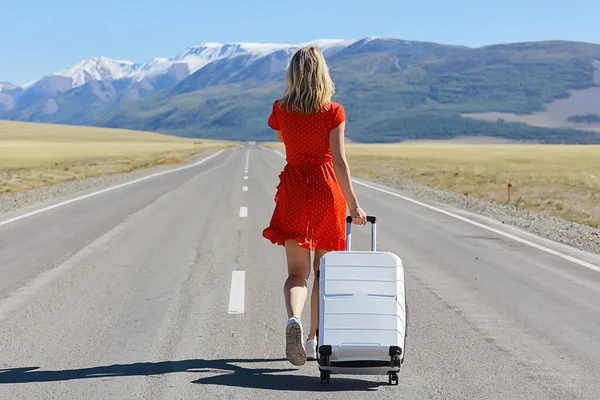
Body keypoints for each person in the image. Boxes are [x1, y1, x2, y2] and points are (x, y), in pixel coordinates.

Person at [262, 46, 368, 366]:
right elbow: (338, 160)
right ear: (322, 72)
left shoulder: (280, 110)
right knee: (324, 274)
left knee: (297, 273)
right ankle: (313, 340)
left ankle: (293, 318)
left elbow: (286, 143)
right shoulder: (333, 111)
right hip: (326, 191)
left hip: (294, 188)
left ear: (293, 74)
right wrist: (354, 205)